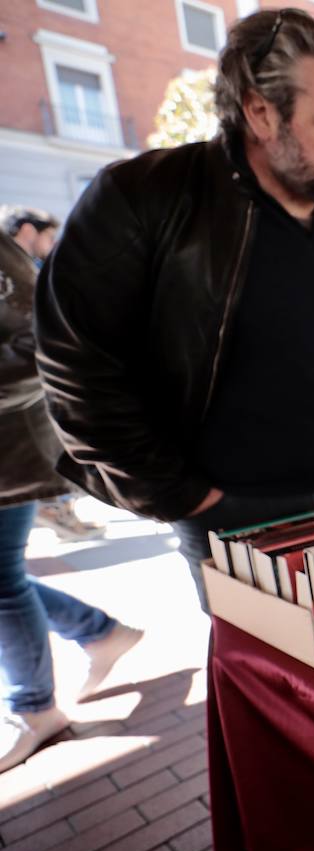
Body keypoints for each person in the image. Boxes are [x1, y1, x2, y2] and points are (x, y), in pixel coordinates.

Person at [34, 9, 314, 612]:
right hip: (234, 513)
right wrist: (180, 494)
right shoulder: (145, 198)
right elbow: (77, 368)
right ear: (261, 112)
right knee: (267, 686)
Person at [0, 204, 141, 772]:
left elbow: (31, 350)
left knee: (4, 581)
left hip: (9, 454)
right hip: (14, 450)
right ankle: (100, 633)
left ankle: (37, 707)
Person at [0, 207, 102, 540]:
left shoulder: (15, 264)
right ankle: (59, 512)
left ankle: (59, 512)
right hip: (21, 443)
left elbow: (39, 344)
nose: (52, 242)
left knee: (8, 583)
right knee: (10, 583)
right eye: (49, 235)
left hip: (19, 447)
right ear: (30, 230)